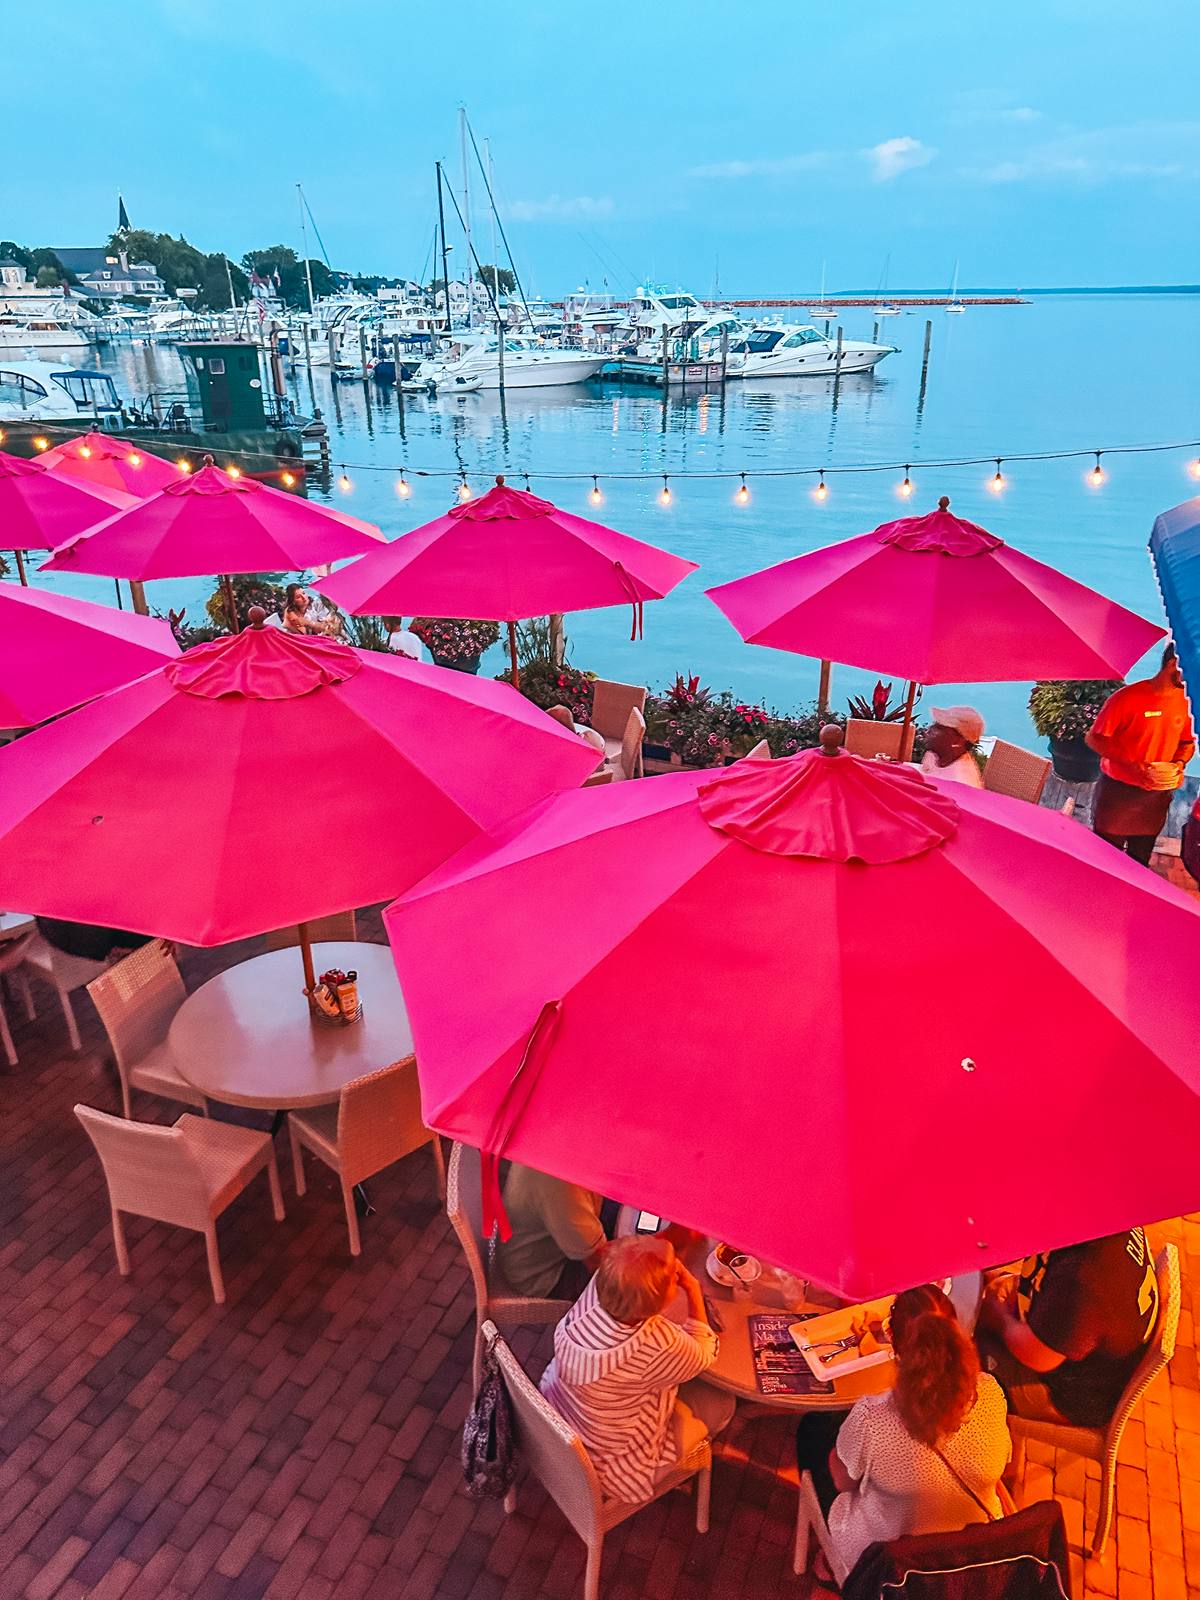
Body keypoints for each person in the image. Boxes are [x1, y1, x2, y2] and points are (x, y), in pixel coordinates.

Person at [797, 1285, 1010, 1578]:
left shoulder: (874, 1416)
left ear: (895, 1344)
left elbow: (843, 1482)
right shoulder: (990, 1392)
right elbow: (1001, 1461)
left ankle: (835, 1564)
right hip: (971, 1549)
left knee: (812, 1430)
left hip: (892, 1564)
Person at [540, 1234, 734, 1503]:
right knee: (723, 1402)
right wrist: (692, 1290)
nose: (677, 1266)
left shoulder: (599, 1286)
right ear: (660, 1301)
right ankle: (685, 1471)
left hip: (569, 1413)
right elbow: (703, 1354)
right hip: (614, 1461)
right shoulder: (658, 1341)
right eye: (672, 1271)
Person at [976, 1227, 1157, 1428]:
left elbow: (1038, 1356)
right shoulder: (1110, 1219)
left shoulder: (1083, 1281)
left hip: (1063, 1391)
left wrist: (997, 1318)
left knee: (958, 1351)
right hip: (1068, 1340)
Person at [1087, 645, 1196, 866]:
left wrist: (1179, 763)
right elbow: (1095, 738)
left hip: (1155, 797)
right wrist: (1133, 764)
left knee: (1139, 861)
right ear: (1173, 664)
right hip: (1118, 794)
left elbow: (1187, 742)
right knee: (1104, 857)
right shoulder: (1126, 698)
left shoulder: (1185, 703)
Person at [496, 1162, 609, 1299]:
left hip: (554, 1239)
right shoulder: (560, 1179)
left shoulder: (550, 1148)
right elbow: (597, 1261)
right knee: (631, 1285)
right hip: (546, 1276)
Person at [920, 706, 986, 788]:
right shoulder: (936, 756)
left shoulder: (960, 783)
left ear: (957, 741)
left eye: (939, 728)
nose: (928, 730)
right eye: (933, 725)